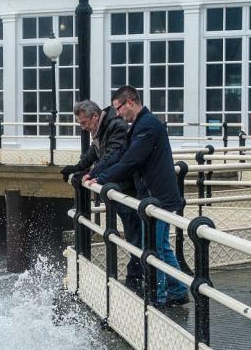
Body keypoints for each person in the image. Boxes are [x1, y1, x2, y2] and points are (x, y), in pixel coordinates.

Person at [85, 86, 189, 308]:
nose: (118, 114)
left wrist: (101, 178)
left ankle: (158, 297)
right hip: (155, 196)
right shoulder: (140, 126)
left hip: (157, 197)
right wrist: (94, 174)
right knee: (160, 245)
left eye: (119, 108)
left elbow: (131, 161)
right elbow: (122, 156)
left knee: (154, 246)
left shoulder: (147, 126)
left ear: (130, 102)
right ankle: (178, 290)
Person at [60, 100, 141, 290]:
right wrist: (77, 168)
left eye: (83, 123)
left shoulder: (116, 126)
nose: (83, 127)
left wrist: (91, 174)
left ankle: (137, 278)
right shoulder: (102, 128)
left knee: (135, 233)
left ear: (95, 117)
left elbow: (113, 156)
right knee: (132, 233)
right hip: (118, 187)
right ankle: (136, 275)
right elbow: (94, 153)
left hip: (127, 189)